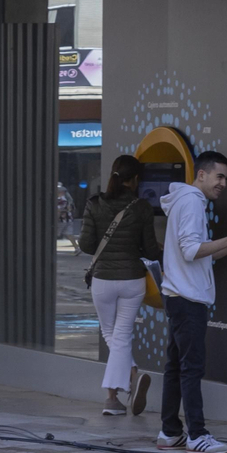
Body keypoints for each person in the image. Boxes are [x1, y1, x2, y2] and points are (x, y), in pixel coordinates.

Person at [157, 151, 227, 453]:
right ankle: (197, 435)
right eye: (219, 176)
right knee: (191, 369)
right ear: (201, 174)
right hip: (188, 300)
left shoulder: (185, 201)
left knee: (177, 367)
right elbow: (191, 250)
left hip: (179, 297)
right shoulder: (191, 202)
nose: (223, 183)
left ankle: (170, 432)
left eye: (226, 178)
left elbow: (197, 253)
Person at [79, 154, 160, 416]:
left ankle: (113, 398)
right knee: (122, 334)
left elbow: (86, 245)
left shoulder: (94, 204)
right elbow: (151, 250)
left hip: (103, 280)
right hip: (132, 280)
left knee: (111, 333)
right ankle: (128, 381)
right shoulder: (142, 207)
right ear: (135, 179)